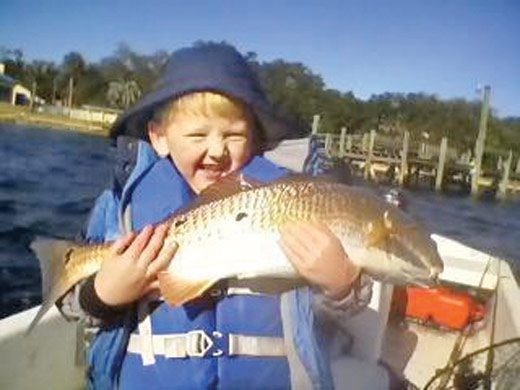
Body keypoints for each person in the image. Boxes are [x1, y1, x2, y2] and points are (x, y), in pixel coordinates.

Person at [60, 43, 374, 389]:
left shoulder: (293, 199)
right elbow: (71, 306)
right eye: (197, 135)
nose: (217, 151)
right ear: (159, 137)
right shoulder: (123, 204)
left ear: (255, 140)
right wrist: (103, 293)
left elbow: (328, 316)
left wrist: (342, 284)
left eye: (234, 135)